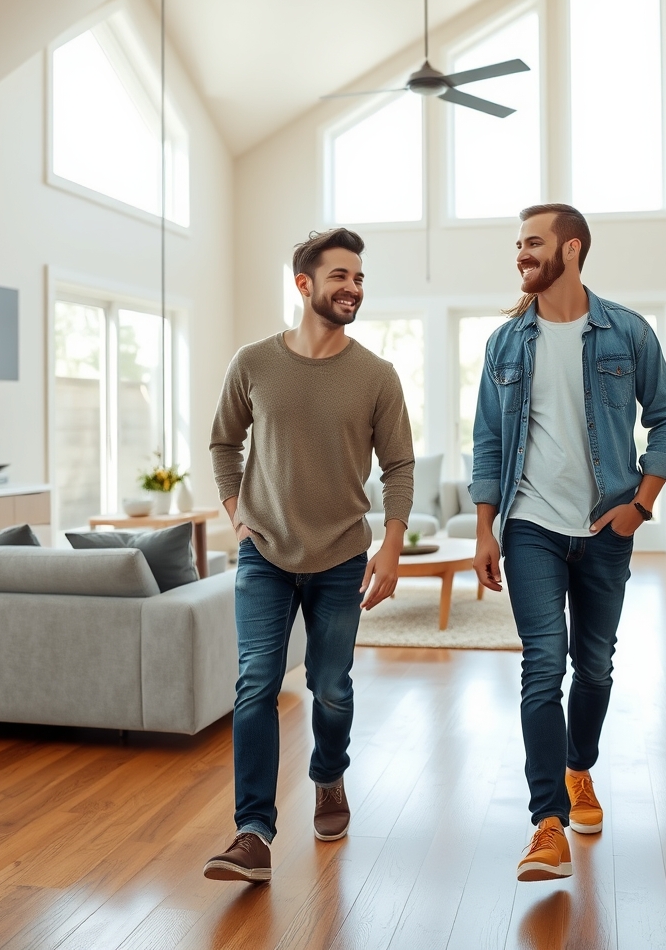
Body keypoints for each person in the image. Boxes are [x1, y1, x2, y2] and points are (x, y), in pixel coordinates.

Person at [470, 203, 666, 882]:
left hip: (605, 526)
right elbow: (488, 440)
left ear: (571, 248)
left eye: (532, 243)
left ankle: (579, 769)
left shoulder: (626, 332)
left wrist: (639, 506)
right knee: (544, 664)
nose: (520, 254)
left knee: (594, 667)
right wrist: (485, 527)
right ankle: (547, 824)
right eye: (518, 244)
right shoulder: (506, 343)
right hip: (530, 524)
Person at [204, 227, 414, 883]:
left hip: (342, 558)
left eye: (358, 277)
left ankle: (329, 777)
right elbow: (222, 443)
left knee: (329, 686)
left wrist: (393, 545)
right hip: (264, 555)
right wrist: (237, 515)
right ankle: (253, 834)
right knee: (256, 683)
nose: (353, 287)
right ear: (303, 284)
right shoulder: (254, 363)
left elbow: (399, 464)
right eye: (340, 276)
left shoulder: (376, 375)